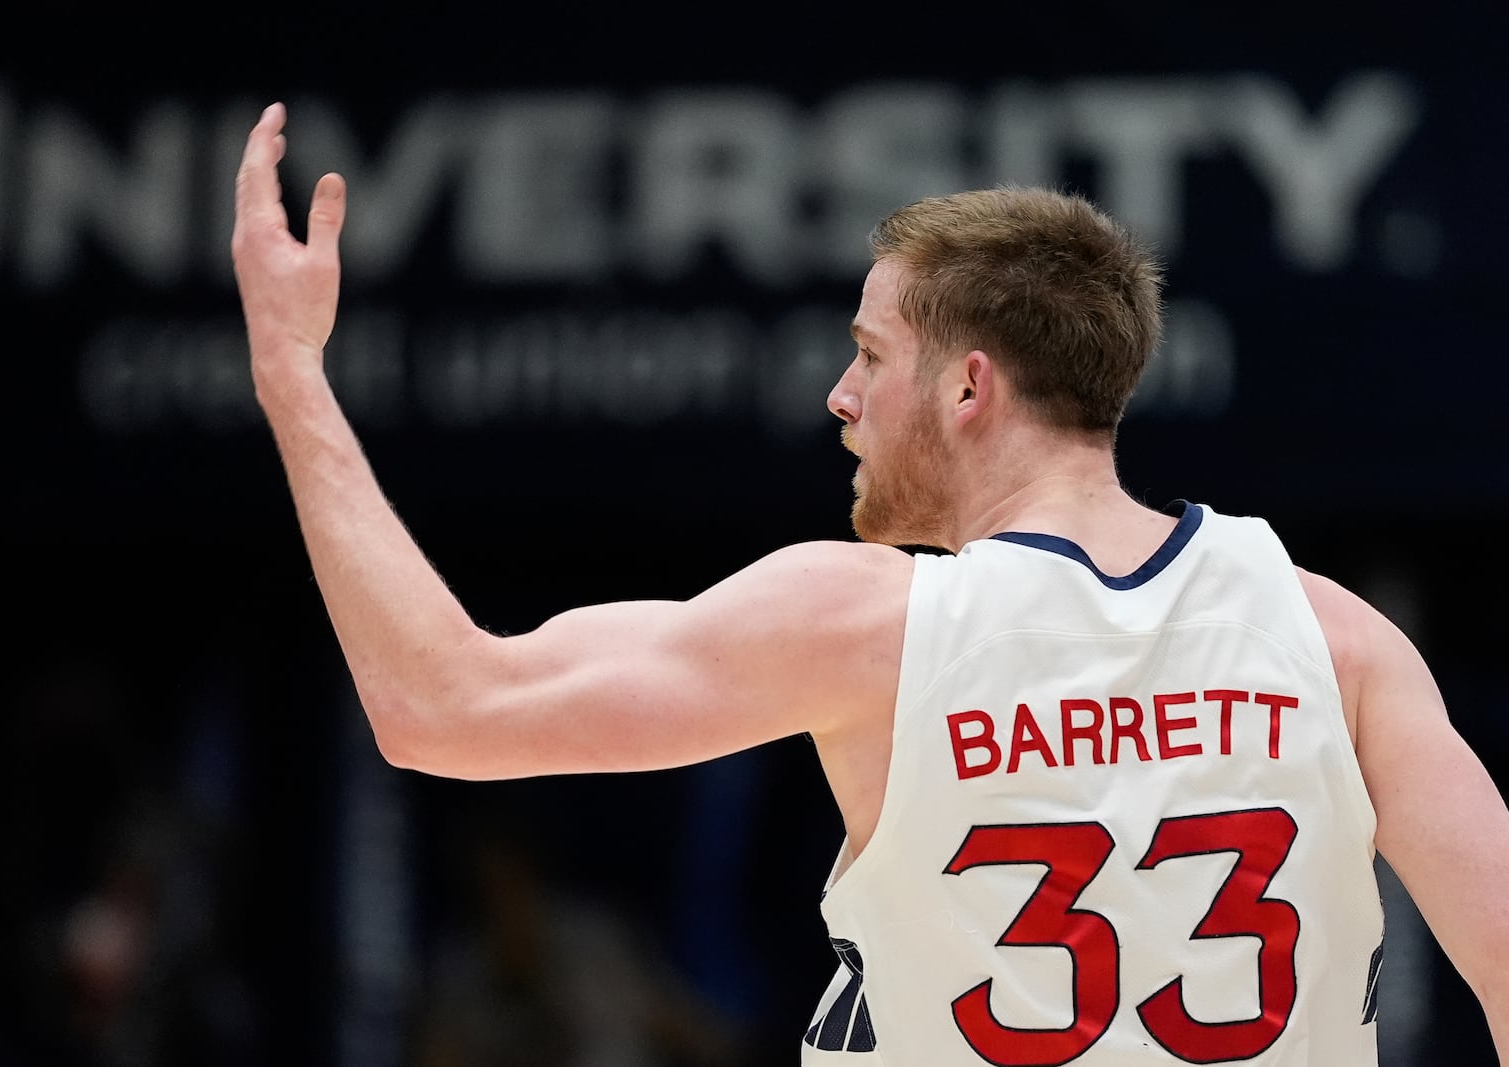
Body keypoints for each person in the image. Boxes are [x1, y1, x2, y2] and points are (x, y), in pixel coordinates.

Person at [231, 102, 1509, 1065]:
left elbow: (440, 706)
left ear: (967, 387)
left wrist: (292, 372)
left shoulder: (868, 625)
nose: (839, 396)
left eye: (868, 354)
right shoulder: (1332, 635)